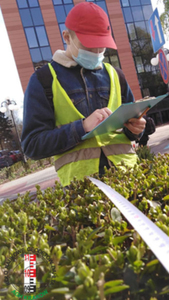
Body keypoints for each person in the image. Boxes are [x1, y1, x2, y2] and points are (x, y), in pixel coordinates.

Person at [21, 2, 146, 186]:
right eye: (88, 46)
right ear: (67, 37)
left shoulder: (115, 75)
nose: (96, 52)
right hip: (82, 192)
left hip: (130, 178)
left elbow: (130, 130)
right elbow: (32, 146)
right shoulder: (44, 80)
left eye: (101, 46)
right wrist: (82, 127)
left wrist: (136, 129)